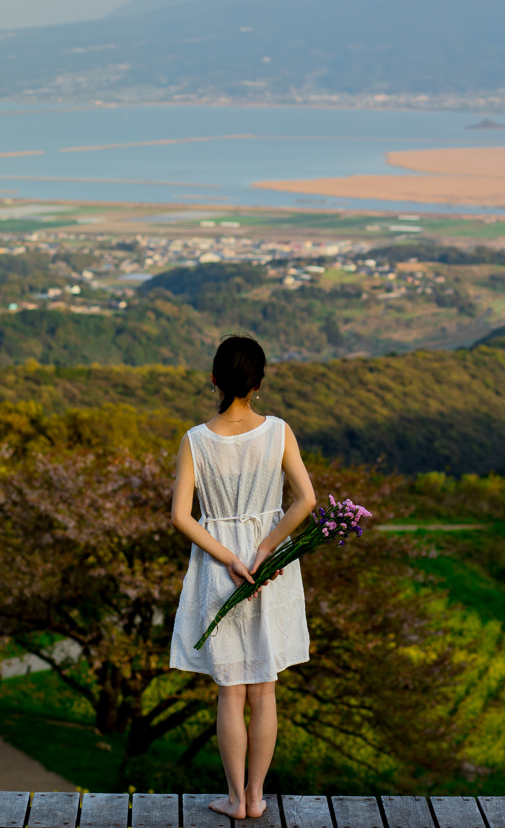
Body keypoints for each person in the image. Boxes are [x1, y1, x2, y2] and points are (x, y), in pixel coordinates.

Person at [170, 334, 316, 819]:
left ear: (214, 378)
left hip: (220, 568)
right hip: (268, 567)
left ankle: (234, 799)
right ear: (259, 382)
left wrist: (229, 558)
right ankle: (256, 798)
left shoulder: (195, 440)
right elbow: (307, 500)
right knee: (264, 689)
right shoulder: (278, 431)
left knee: (230, 689)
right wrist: (265, 550)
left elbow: (181, 517)